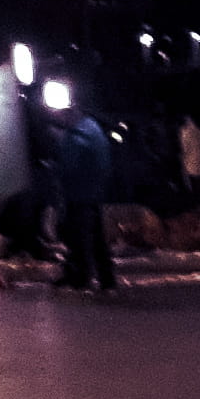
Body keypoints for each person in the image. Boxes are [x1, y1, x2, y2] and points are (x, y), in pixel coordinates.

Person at [53, 108, 119, 294]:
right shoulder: (93, 129)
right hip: (92, 194)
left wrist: (58, 174)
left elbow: (69, 166)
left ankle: (80, 277)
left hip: (79, 194)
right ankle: (106, 279)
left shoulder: (78, 135)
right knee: (96, 239)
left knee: (78, 238)